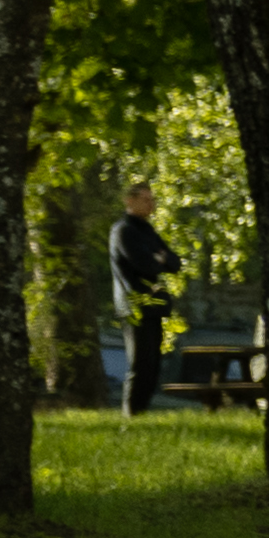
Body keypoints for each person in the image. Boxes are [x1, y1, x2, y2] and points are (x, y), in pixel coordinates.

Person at [106, 178, 179, 417]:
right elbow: (144, 264)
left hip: (154, 306)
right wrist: (158, 259)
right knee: (140, 363)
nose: (152, 205)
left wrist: (161, 259)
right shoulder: (123, 230)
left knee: (153, 364)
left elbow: (175, 262)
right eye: (146, 200)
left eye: (153, 200)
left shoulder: (148, 231)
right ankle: (131, 414)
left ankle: (142, 412)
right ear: (130, 200)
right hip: (134, 305)